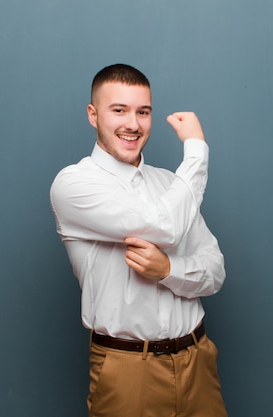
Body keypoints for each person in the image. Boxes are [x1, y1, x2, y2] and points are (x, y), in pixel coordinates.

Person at [49, 63, 228, 417]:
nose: (133, 124)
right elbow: (164, 227)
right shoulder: (73, 184)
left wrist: (168, 270)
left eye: (142, 112)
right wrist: (196, 149)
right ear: (93, 114)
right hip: (128, 368)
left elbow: (215, 271)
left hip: (197, 359)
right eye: (119, 110)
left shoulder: (171, 186)